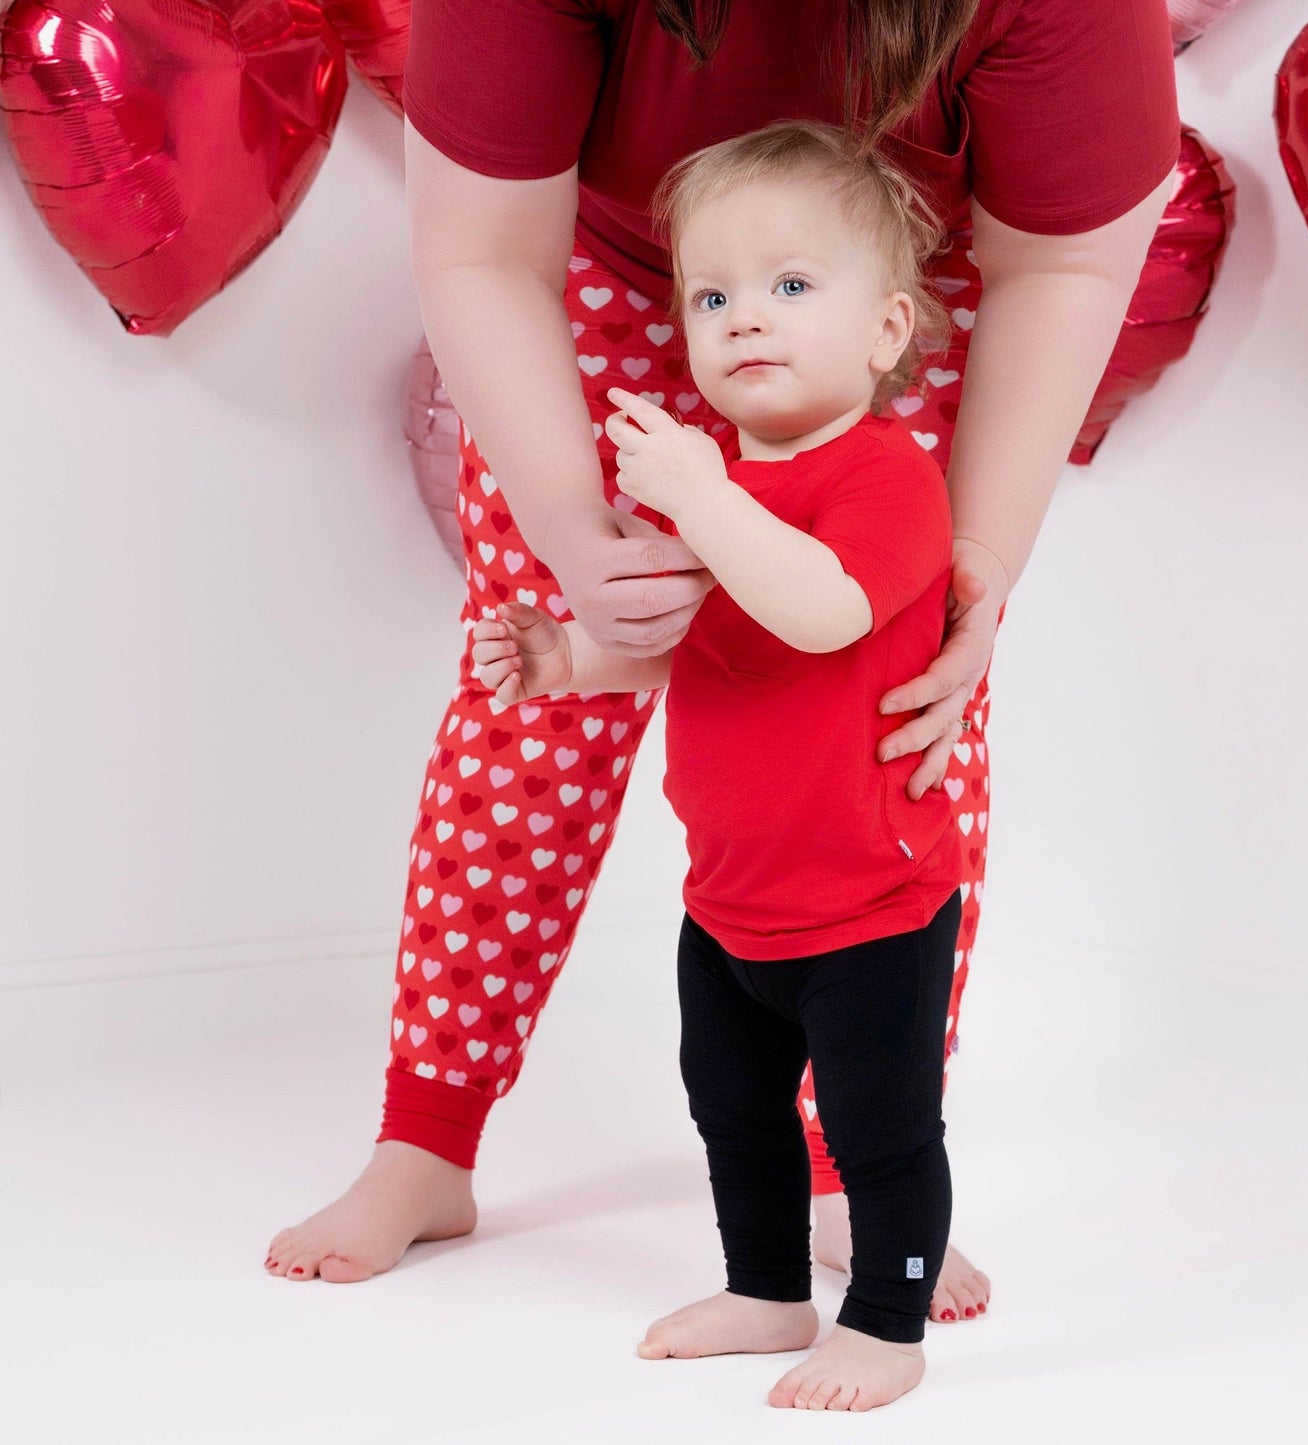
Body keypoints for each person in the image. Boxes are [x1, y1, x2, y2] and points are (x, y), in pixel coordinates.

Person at [264, 0, 1180, 1332]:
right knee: (531, 727)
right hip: (605, 291)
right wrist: (574, 536)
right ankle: (428, 1133)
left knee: (901, 727)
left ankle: (842, 1158)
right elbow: (480, 248)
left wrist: (972, 569)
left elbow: (1064, 267)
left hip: (866, 303)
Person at [471, 119, 964, 1410]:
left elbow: (819, 614)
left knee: (875, 1130)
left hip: (867, 901)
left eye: (792, 286)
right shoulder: (731, 491)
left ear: (887, 328)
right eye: (712, 294)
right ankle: (764, 1289)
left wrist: (699, 497)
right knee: (732, 1112)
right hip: (733, 899)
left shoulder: (886, 479)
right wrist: (566, 660)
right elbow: (713, 648)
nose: (745, 317)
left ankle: (887, 1321)